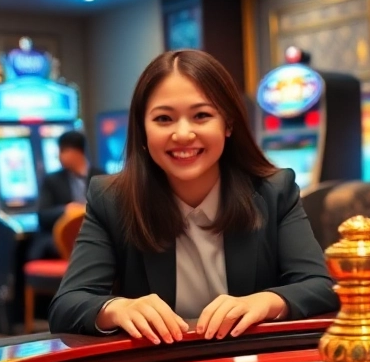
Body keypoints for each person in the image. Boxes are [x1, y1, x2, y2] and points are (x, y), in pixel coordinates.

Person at [50, 50, 337, 341]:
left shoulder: (274, 191)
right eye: (164, 119)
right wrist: (117, 308)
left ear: (228, 124)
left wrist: (265, 302)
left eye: (201, 116)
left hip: (251, 361)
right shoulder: (112, 199)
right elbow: (67, 305)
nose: (183, 134)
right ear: (143, 130)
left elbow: (320, 287)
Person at [31, 130, 104, 260]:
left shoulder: (102, 177)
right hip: (59, 241)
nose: (58, 156)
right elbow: (43, 216)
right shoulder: (52, 180)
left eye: (61, 151)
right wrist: (66, 209)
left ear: (75, 152)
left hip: (95, 238)